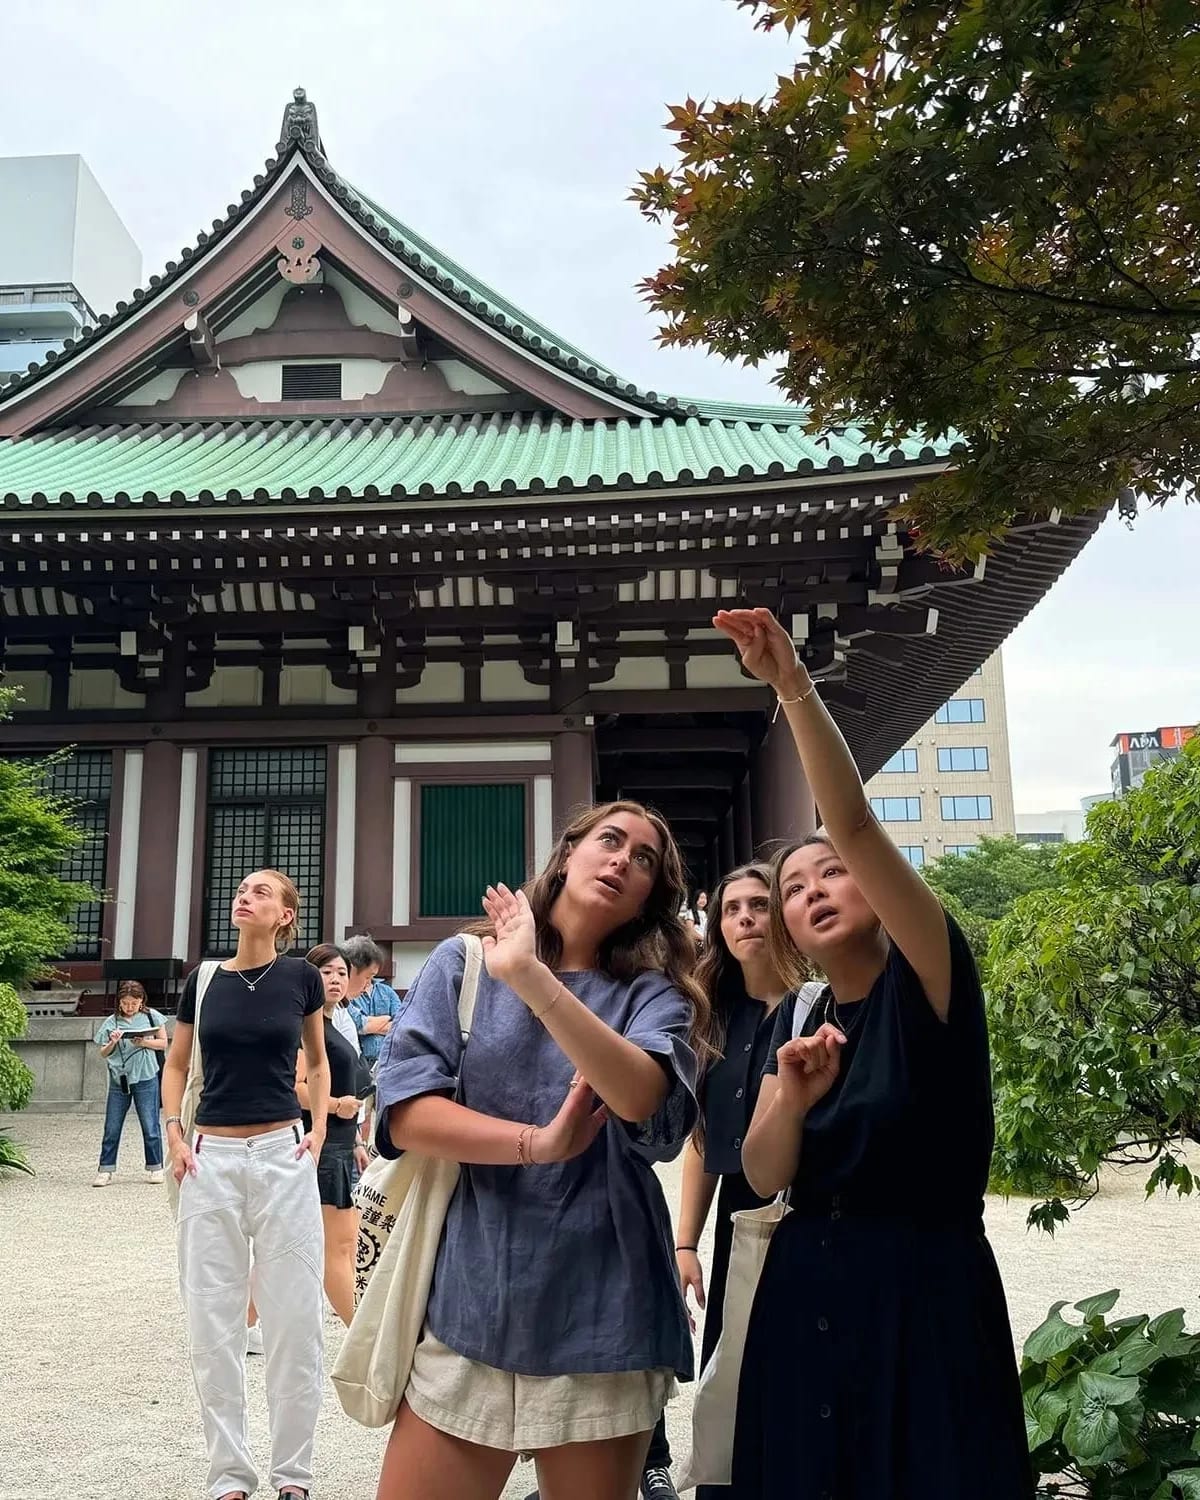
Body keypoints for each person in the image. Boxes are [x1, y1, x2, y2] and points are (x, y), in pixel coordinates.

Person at [714, 607, 1031, 1500]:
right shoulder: (802, 1017)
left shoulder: (930, 976)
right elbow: (764, 1171)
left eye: (831, 874)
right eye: (793, 890)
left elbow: (850, 820)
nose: (814, 890)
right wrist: (788, 1095)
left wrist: (792, 687)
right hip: (806, 1295)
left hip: (923, 1295)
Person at [372, 801, 707, 1500]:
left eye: (644, 859)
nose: (622, 860)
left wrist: (530, 976)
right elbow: (406, 1113)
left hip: (603, 1304)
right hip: (472, 1292)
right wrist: (539, 1144)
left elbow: (643, 1099)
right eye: (610, 840)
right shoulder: (463, 962)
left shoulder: (654, 996)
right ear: (569, 852)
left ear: (652, 897)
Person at [161, 868, 330, 1500]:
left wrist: (316, 1129)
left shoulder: (301, 978)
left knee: (294, 1319)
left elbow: (316, 1059)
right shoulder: (203, 979)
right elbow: (176, 1065)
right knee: (213, 1319)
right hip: (210, 1158)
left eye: (261, 892)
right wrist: (175, 1138)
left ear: (286, 914)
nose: (244, 896)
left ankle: (294, 1477)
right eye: (241, 889)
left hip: (285, 1153)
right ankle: (229, 1477)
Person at [670, 862, 788, 1500]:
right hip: (740, 1216)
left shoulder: (822, 1000)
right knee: (731, 1374)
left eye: (760, 904)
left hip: (809, 1212)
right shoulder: (714, 1015)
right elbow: (704, 1139)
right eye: (732, 908)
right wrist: (686, 1242)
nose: (745, 917)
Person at [299, 942, 371, 1327]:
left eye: (342, 973)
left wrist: (357, 1138)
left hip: (343, 1142)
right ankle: (362, 1338)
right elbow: (295, 1086)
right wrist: (334, 1105)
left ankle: (239, 1323)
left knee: (333, 1243)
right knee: (337, 1247)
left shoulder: (334, 1022)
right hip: (321, 1143)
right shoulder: (308, 1026)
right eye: (327, 972)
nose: (336, 980)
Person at [92, 979, 168, 1185]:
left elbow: (163, 1043)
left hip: (145, 1077)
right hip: (120, 1079)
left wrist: (143, 1042)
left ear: (141, 1001)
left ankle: (155, 1167)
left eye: (134, 1003)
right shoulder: (111, 1022)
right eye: (126, 1003)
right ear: (119, 1002)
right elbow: (103, 1052)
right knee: (112, 1126)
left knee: (150, 1124)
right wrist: (113, 1042)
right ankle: (105, 1169)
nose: (130, 1007)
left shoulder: (152, 1016)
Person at [343, 933, 404, 1069]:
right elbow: (359, 1024)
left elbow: (402, 1024)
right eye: (367, 976)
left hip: (387, 1063)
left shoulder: (387, 992)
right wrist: (387, 1019)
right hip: (358, 1065)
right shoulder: (343, 998)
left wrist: (371, 1025)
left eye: (372, 976)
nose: (367, 982)